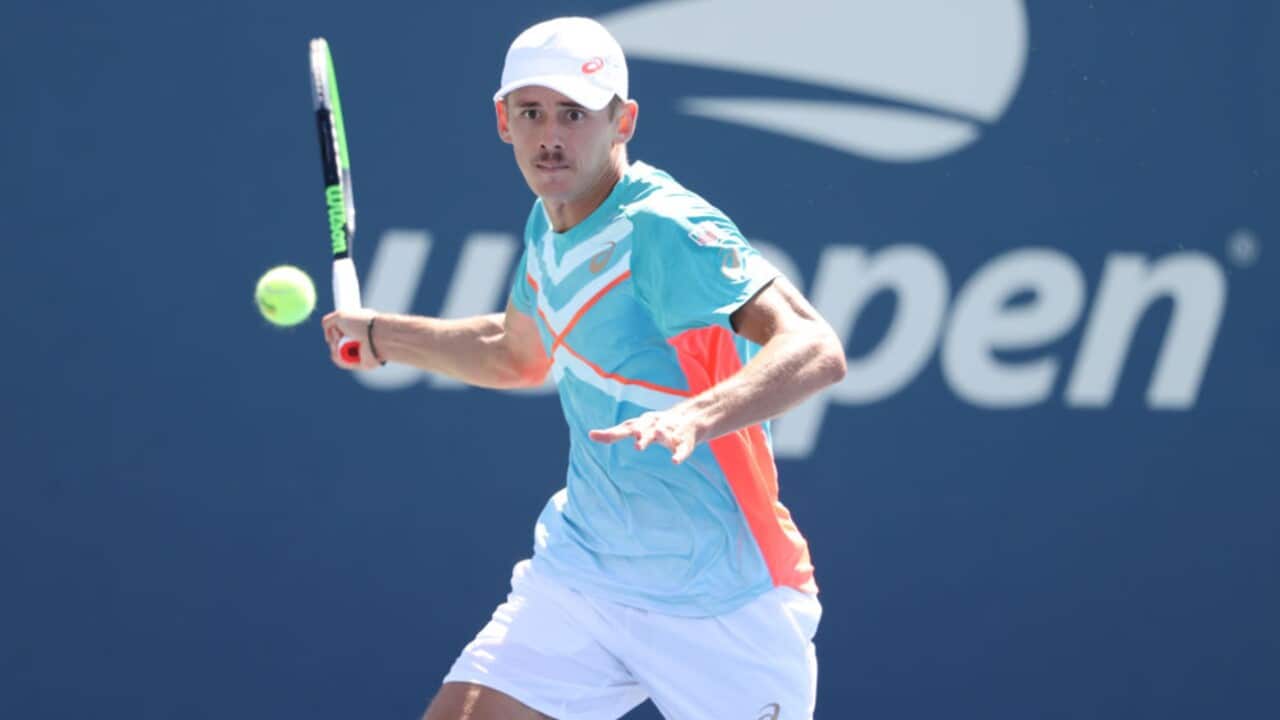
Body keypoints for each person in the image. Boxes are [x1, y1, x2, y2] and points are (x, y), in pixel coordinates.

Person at [322, 16, 846, 720]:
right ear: (502, 121)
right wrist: (383, 335)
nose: (550, 136)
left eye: (574, 113)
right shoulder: (549, 220)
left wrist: (697, 415)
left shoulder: (664, 228)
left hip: (723, 598)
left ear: (622, 122)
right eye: (531, 112)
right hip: (585, 575)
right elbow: (514, 353)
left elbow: (814, 346)